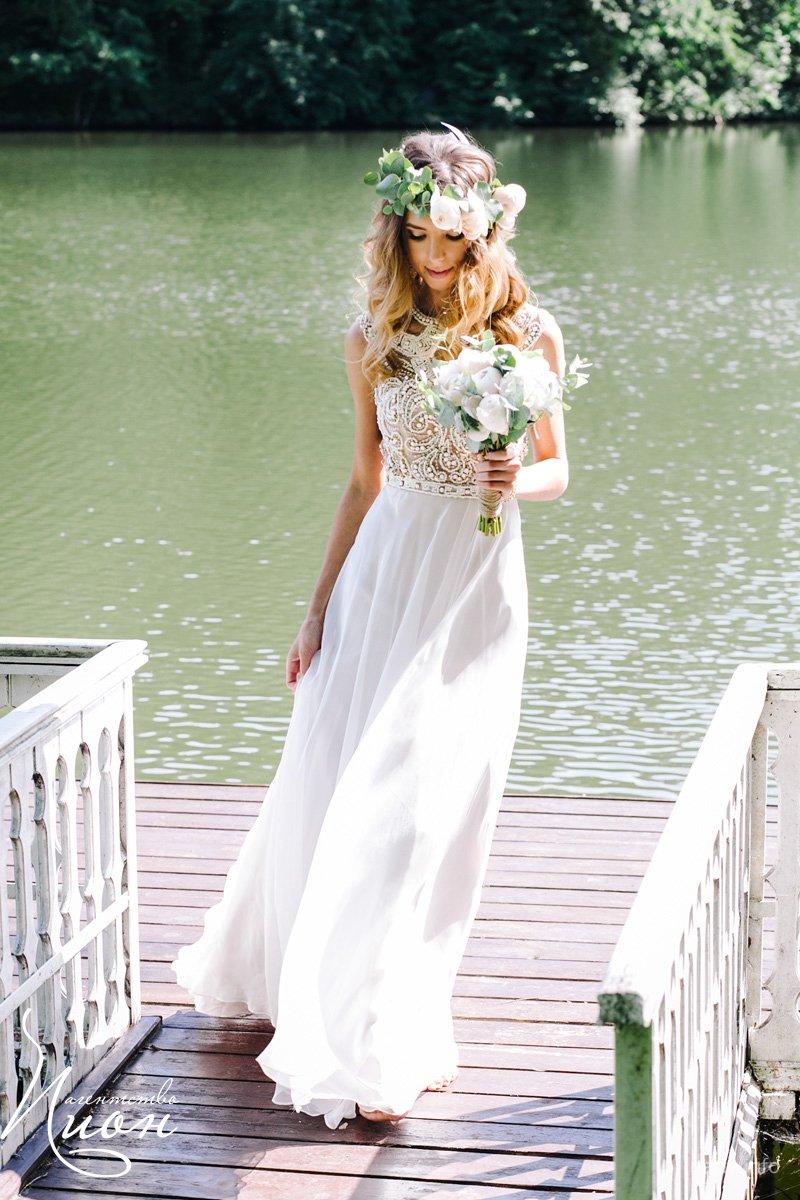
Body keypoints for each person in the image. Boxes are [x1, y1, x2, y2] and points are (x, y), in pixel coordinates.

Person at [170, 123, 568, 1129]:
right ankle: (348, 1016)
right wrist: (314, 612)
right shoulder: (371, 339)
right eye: (418, 239)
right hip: (383, 578)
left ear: (484, 235)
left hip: (473, 589)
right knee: (347, 780)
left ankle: (393, 1010)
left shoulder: (527, 335)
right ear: (395, 234)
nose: (435, 259)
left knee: (433, 805)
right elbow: (362, 481)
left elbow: (558, 469)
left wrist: (512, 476)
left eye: (454, 241)